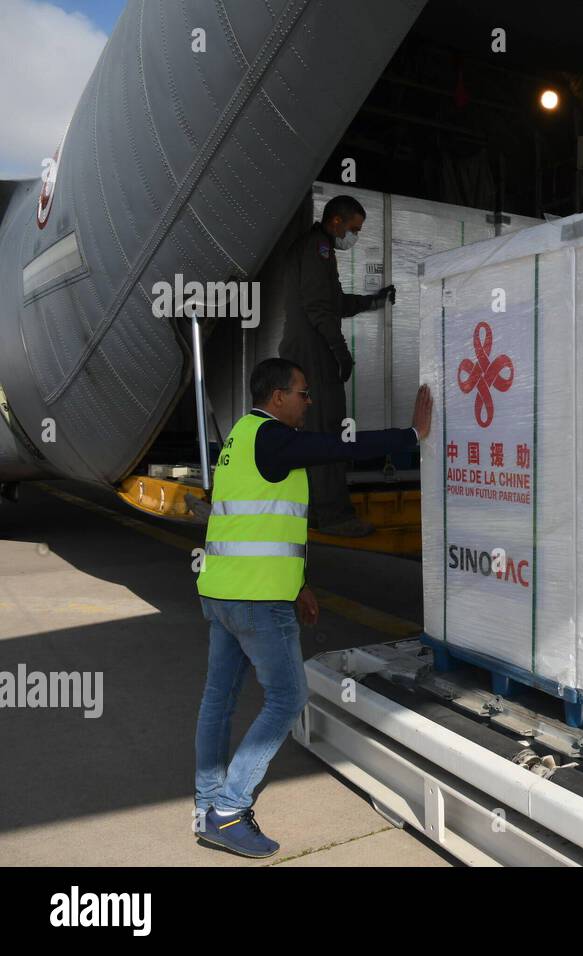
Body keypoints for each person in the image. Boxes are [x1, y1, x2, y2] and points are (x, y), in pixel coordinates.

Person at [192, 357, 433, 858]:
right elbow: (340, 447)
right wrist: (411, 433)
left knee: (219, 699)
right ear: (278, 397)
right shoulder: (275, 437)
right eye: (303, 392)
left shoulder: (241, 435)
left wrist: (300, 582)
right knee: (286, 699)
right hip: (258, 602)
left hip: (223, 594)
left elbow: (263, 520)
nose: (309, 400)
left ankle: (207, 803)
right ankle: (229, 810)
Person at [279, 193, 397, 537]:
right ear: (336, 222)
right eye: (354, 228)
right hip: (313, 351)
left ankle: (315, 513)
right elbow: (320, 308)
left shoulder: (313, 248)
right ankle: (335, 516)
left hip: (302, 349)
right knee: (327, 430)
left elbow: (334, 302)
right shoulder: (320, 249)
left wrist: (372, 301)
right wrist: (339, 351)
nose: (355, 236)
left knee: (313, 431)